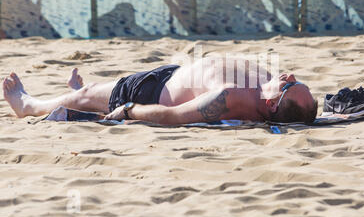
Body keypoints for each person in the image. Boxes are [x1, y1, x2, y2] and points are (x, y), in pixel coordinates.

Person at [2, 57, 318, 124]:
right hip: (174, 73)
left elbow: (172, 116)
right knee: (93, 93)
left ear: (273, 105)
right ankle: (85, 93)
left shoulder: (230, 97)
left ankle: (28, 105)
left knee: (92, 95)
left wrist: (128, 110)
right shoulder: (267, 89)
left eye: (289, 84)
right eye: (296, 79)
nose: (289, 75)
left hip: (151, 92)